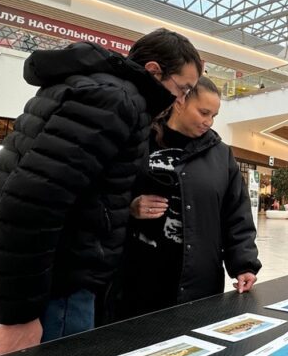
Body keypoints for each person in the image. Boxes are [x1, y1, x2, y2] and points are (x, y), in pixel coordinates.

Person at [0, 29, 202, 356]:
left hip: (13, 281)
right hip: (49, 291)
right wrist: (20, 315)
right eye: (182, 89)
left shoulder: (85, 85)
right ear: (153, 71)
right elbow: (35, 203)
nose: (180, 100)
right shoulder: (116, 100)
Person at [109, 77, 260, 319]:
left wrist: (244, 264)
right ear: (180, 102)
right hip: (138, 279)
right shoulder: (140, 140)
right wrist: (130, 207)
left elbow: (236, 214)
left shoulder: (221, 155)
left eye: (214, 116)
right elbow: (106, 193)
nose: (208, 122)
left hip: (199, 284)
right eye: (203, 112)